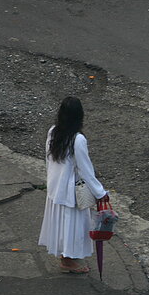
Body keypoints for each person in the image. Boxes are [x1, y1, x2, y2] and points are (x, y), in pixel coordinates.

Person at [38, 96, 108, 273]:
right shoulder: (78, 140)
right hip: (71, 191)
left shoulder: (53, 131)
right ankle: (68, 261)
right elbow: (86, 170)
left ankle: (66, 257)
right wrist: (100, 193)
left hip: (56, 187)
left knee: (61, 225)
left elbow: (49, 160)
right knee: (72, 225)